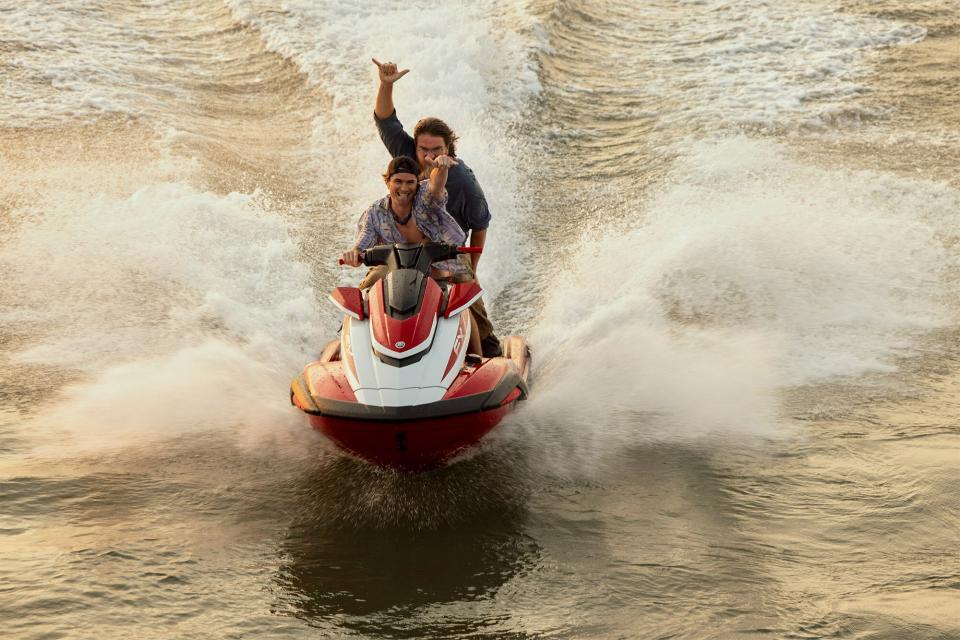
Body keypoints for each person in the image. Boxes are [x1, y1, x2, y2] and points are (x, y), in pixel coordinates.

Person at [371, 58, 502, 358]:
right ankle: (356, 347)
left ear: (448, 149)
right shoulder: (407, 155)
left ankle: (490, 356)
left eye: (436, 150)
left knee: (468, 299)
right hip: (404, 248)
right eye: (423, 149)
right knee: (373, 285)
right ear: (414, 147)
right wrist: (385, 85)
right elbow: (384, 119)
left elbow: (480, 224)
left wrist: (472, 269)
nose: (429, 157)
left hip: (448, 252)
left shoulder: (464, 181)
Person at [341, 155, 482, 356]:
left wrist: (441, 169)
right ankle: (349, 350)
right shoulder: (374, 212)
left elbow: (436, 187)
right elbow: (362, 242)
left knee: (464, 304)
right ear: (387, 181)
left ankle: (482, 355)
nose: (404, 188)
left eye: (410, 182)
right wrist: (354, 254)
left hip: (447, 261)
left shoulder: (425, 197)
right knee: (364, 295)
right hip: (397, 269)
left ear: (418, 183)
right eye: (398, 181)